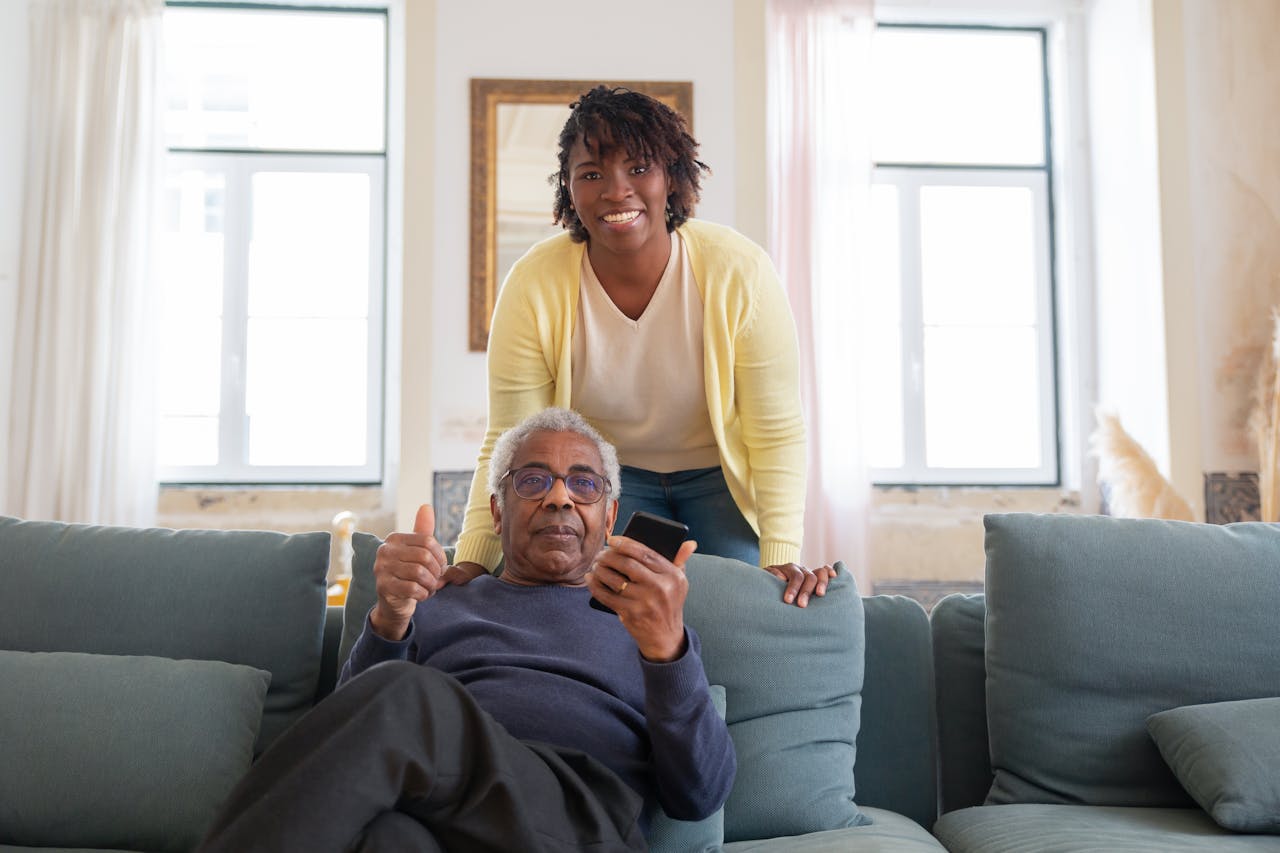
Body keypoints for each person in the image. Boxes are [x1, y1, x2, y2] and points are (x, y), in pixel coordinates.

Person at [198, 408, 735, 853]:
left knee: (408, 695)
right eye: (532, 481)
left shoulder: (646, 621)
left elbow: (700, 794)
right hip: (442, 822)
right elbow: (348, 738)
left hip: (579, 824)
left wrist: (667, 649)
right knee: (388, 839)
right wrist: (390, 615)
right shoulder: (440, 602)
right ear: (497, 514)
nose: (559, 498)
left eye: (583, 484)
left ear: (610, 515)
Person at [450, 85, 835, 607]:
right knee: (602, 615)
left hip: (719, 480)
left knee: (734, 615)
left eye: (638, 169)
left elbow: (777, 430)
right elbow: (512, 438)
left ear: (671, 179)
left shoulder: (738, 271)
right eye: (591, 175)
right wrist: (472, 558)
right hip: (607, 481)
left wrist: (778, 552)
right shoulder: (533, 283)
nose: (615, 191)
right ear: (568, 189)